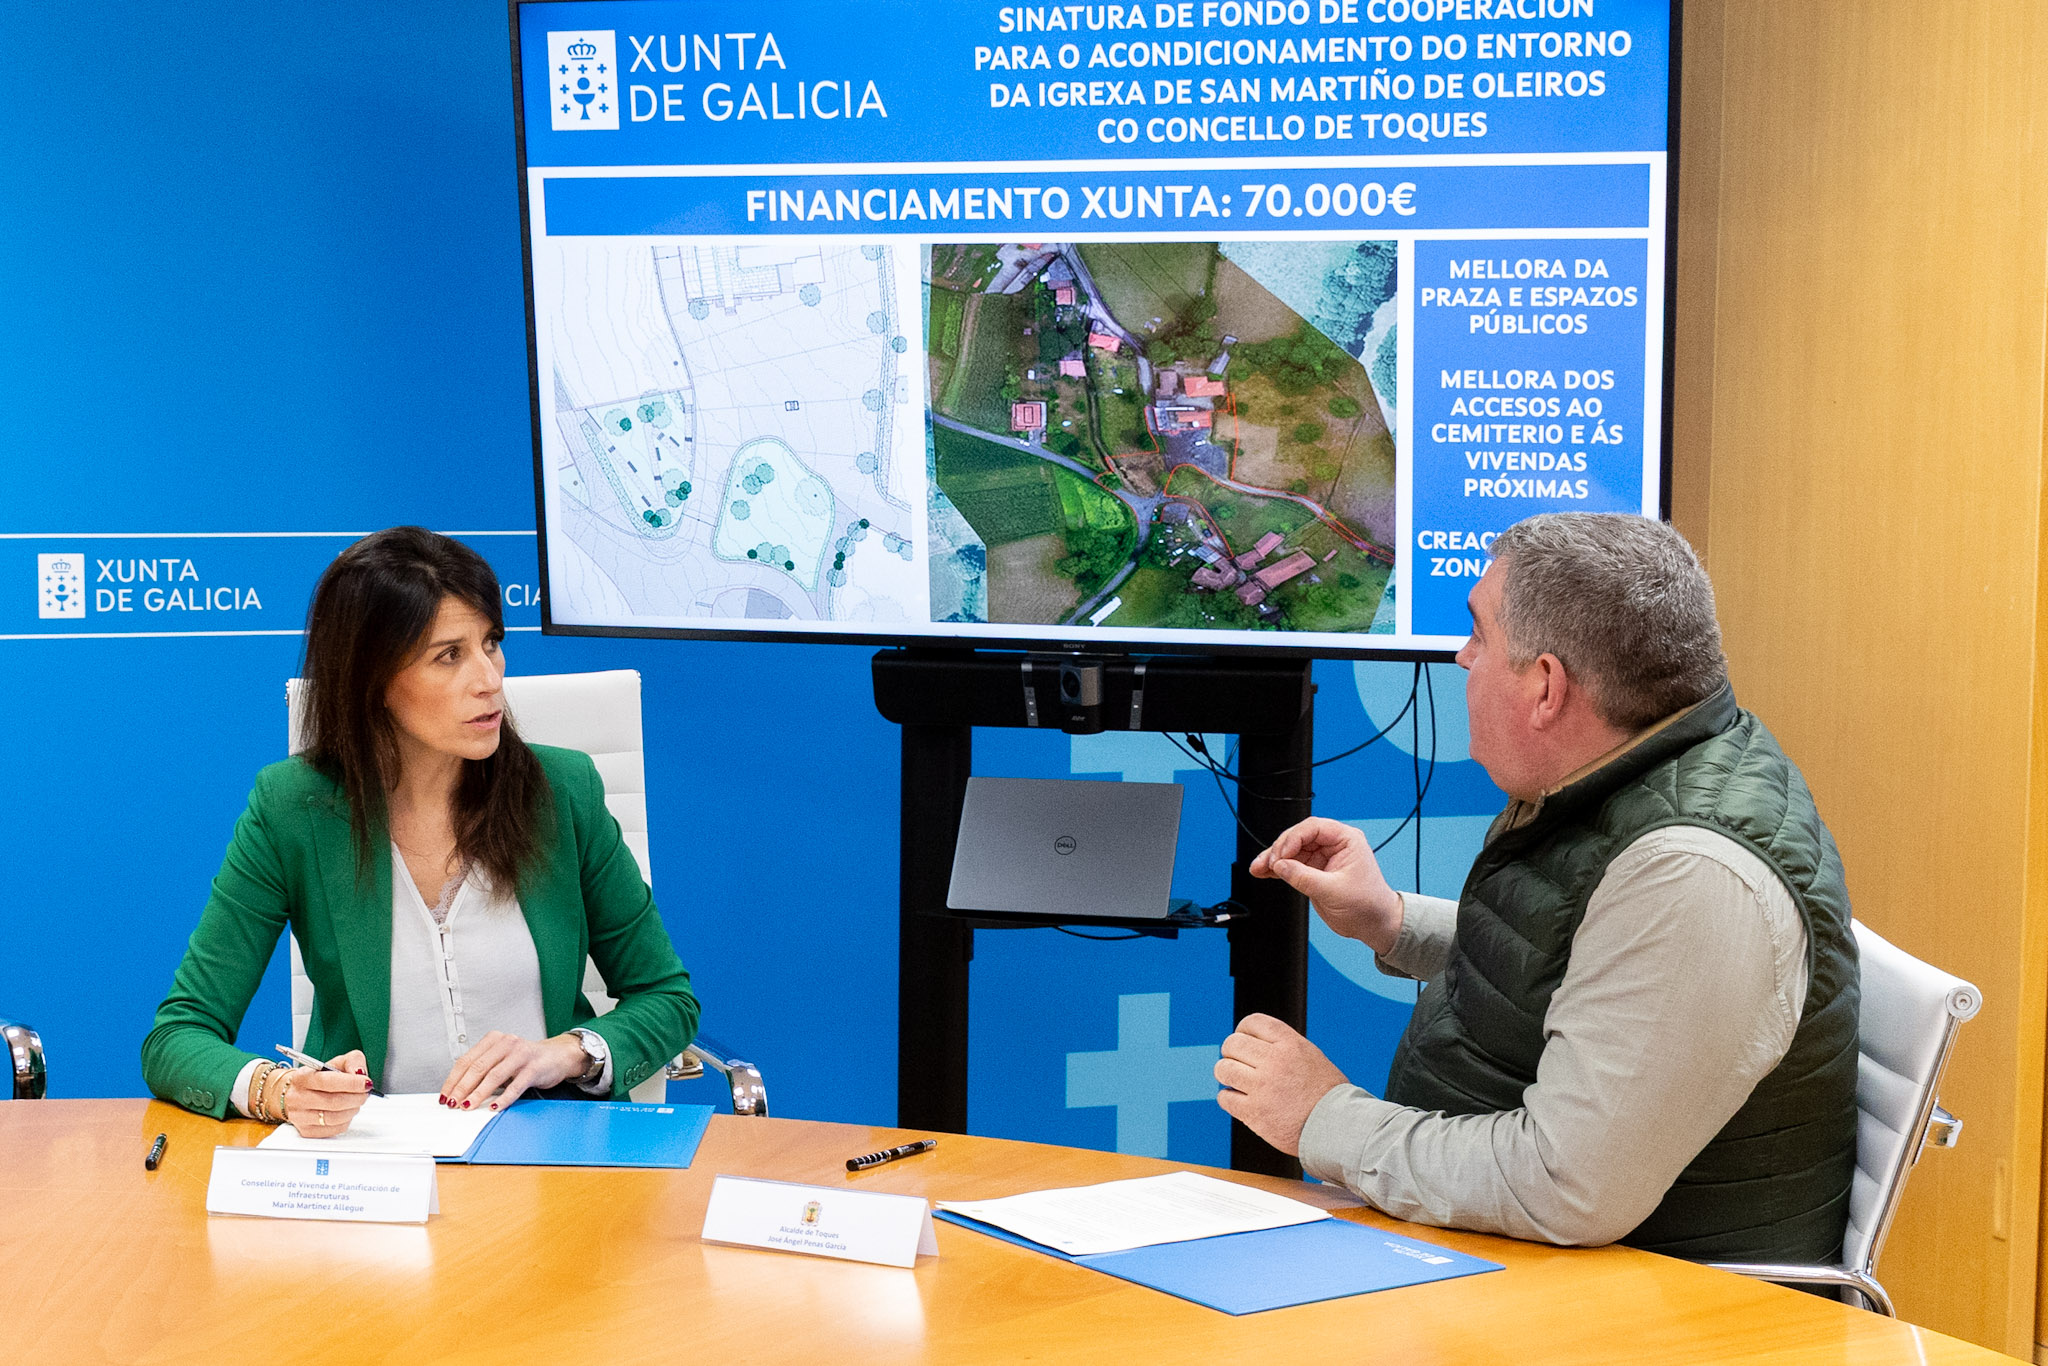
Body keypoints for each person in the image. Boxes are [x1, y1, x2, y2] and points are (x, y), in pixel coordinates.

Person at [1219, 512, 1858, 1263]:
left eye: (1479, 635)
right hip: (1540, 1261)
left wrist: (1321, 1118)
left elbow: (1565, 1186)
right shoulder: (1642, 765)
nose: (1462, 657)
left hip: (1640, 1298)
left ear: (1547, 687)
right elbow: (1600, 976)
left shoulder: (1693, 874)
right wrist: (1390, 921)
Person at [142, 527, 698, 1135]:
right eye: (448, 655)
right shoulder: (292, 807)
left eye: (491, 643)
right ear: (372, 679)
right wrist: (279, 1091)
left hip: (549, 1147)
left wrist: (568, 1052)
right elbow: (178, 1036)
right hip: (375, 1159)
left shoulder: (562, 791)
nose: (489, 679)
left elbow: (667, 997)